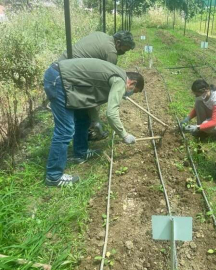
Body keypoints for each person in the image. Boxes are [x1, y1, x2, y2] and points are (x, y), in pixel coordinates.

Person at [43, 58, 144, 187]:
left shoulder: (117, 74)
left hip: (62, 78)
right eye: (133, 91)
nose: (130, 94)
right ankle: (53, 176)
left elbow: (89, 101)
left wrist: (95, 121)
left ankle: (80, 153)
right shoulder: (120, 81)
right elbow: (111, 114)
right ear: (132, 83)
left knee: (83, 118)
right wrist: (124, 135)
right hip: (59, 81)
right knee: (65, 130)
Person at [58, 30, 136, 141]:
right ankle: (88, 132)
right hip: (70, 75)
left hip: (63, 66)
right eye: (125, 49)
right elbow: (105, 81)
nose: (124, 52)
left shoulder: (102, 35)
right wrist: (119, 89)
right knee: (83, 108)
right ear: (118, 43)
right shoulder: (111, 53)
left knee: (84, 107)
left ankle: (85, 134)